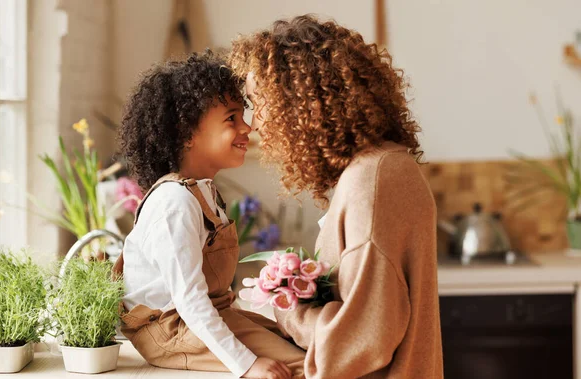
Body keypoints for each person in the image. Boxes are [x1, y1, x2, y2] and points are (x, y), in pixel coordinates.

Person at [229, 15, 443, 378]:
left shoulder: (371, 181)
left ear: (299, 100)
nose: (255, 121)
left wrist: (288, 310)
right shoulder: (383, 166)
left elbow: (365, 336)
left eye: (258, 100)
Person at [114, 50, 305, 379]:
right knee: (306, 366)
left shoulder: (202, 191)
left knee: (304, 342)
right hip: (170, 331)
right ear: (187, 134)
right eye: (231, 118)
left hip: (204, 315)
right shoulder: (175, 202)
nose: (248, 127)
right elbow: (188, 300)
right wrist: (247, 365)